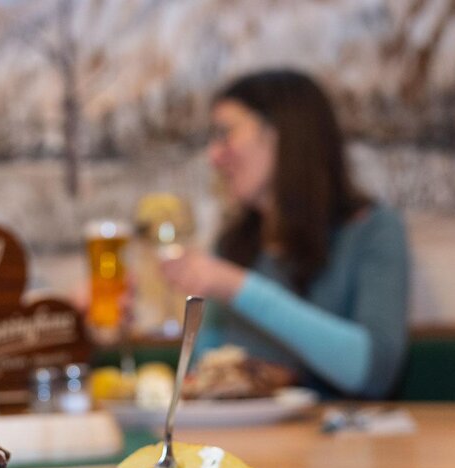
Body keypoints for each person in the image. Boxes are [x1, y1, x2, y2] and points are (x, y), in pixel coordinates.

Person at [159, 69, 409, 398]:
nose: (214, 155)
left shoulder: (372, 230)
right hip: (244, 446)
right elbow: (201, 376)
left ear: (283, 134)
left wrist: (238, 287)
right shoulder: (233, 244)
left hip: (343, 445)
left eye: (226, 133)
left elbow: (374, 372)